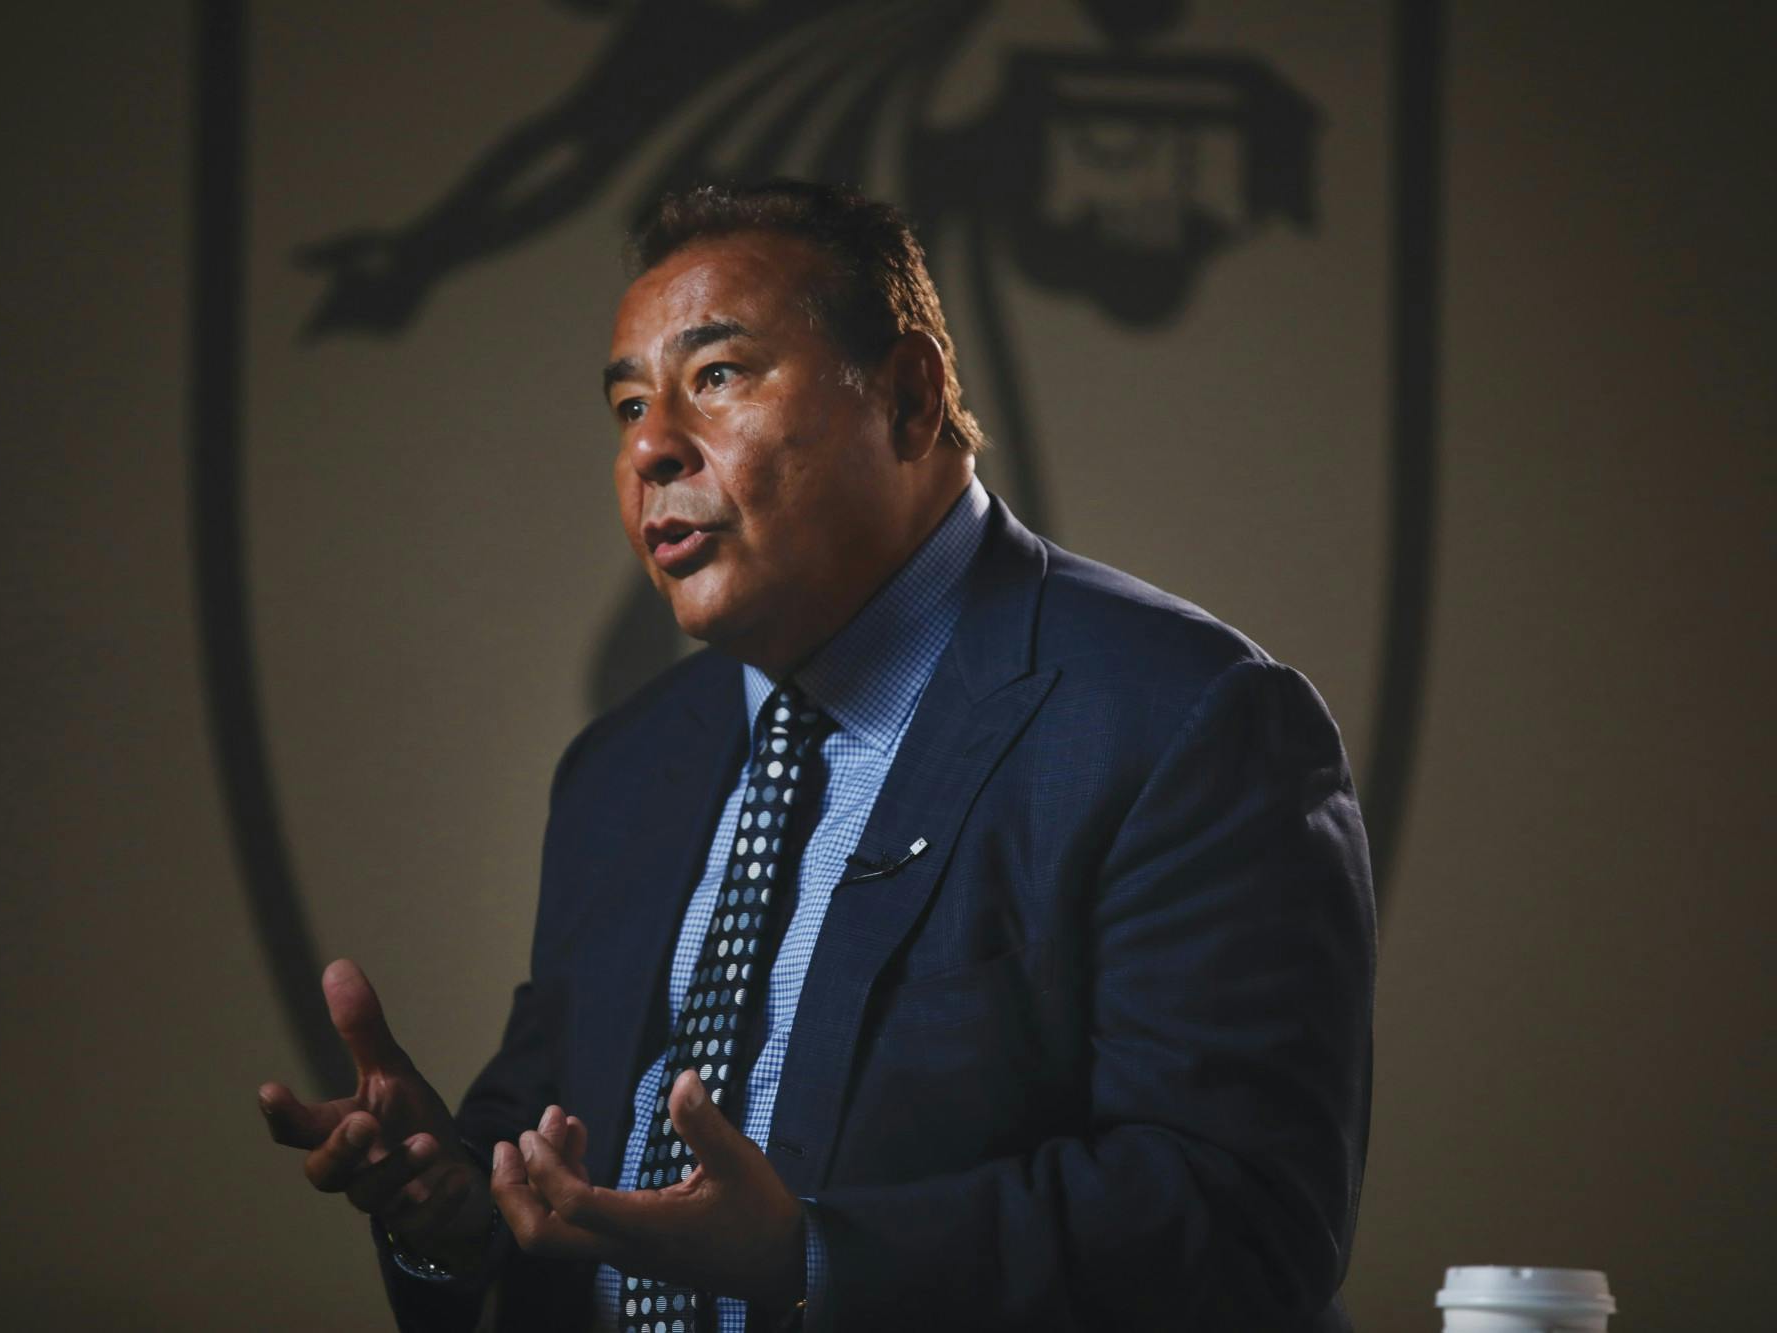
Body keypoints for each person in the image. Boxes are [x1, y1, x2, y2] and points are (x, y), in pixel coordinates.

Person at [259, 180, 1375, 1332]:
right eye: (627, 404)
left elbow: (1245, 1217)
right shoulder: (616, 770)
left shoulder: (1188, 719)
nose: (650, 446)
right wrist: (449, 1208)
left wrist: (814, 1258)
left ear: (904, 395)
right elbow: (544, 1136)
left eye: (718, 377)